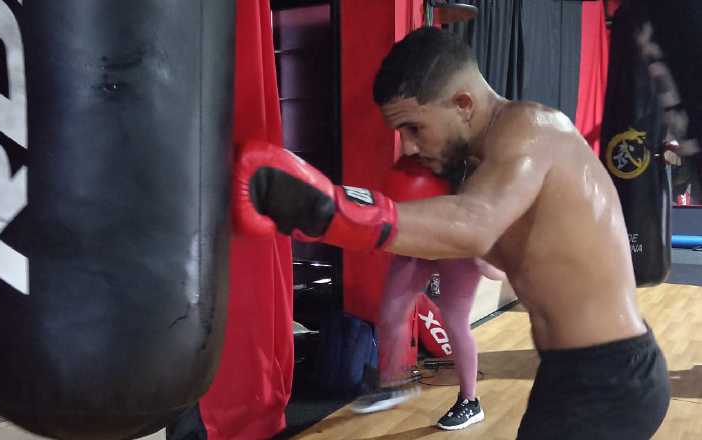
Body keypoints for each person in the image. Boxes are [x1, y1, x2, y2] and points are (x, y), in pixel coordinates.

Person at [234, 27, 670, 438]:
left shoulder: (531, 129)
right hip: (572, 372)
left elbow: (475, 226)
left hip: (610, 377)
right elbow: (494, 256)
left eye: (414, 128)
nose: (407, 146)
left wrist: (333, 209)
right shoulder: (483, 166)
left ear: (463, 103)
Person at [349, 157, 505, 431]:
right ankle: (393, 383)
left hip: (457, 244)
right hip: (420, 237)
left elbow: (493, 212)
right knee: (391, 310)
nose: (411, 141)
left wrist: (494, 256)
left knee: (455, 322)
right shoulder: (420, 153)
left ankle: (470, 401)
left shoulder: (476, 159)